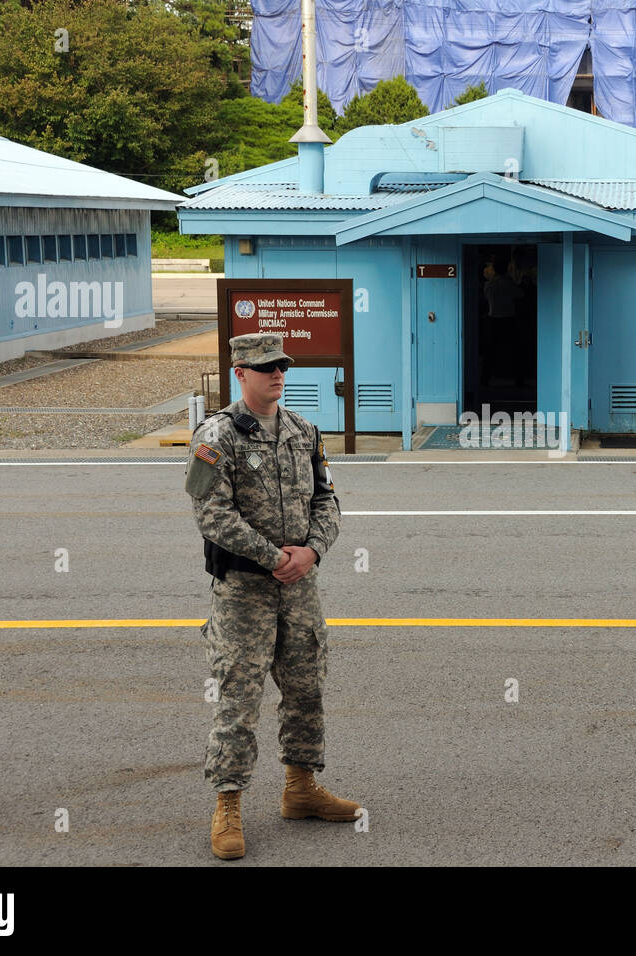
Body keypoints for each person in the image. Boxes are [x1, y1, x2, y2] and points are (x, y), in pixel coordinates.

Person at [185, 332, 358, 861]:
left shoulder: (304, 431)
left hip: (299, 587)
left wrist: (311, 553)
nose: (277, 375)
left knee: (306, 688)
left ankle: (300, 789)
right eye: (265, 368)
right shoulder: (216, 436)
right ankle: (228, 804)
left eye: (281, 366)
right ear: (240, 372)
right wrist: (273, 557)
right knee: (238, 698)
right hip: (244, 591)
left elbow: (328, 501)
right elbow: (210, 513)